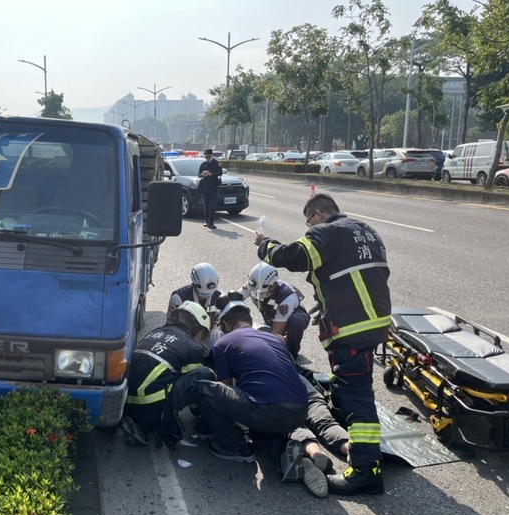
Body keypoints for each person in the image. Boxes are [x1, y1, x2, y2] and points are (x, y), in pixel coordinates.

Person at [254, 192, 391, 495]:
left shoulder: (326, 232)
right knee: (350, 389)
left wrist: (265, 245)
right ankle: (356, 443)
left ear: (317, 214)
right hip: (375, 322)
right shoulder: (366, 230)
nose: (308, 227)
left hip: (352, 328)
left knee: (358, 399)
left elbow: (292, 256)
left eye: (307, 222)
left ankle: (366, 471)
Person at [165, 298, 309, 467]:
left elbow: (224, 389)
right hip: (301, 411)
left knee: (202, 388)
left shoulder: (223, 343)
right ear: (249, 321)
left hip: (269, 411)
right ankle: (285, 452)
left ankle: (235, 446)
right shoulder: (275, 339)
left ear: (225, 324)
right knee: (261, 418)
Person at [118, 301, 213, 447]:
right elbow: (196, 385)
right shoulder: (193, 347)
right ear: (197, 327)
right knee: (204, 373)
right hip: (150, 404)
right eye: (204, 334)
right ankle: (147, 424)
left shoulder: (155, 332)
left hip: (124, 399)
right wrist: (200, 414)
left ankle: (135, 422)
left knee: (166, 375)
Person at [239, 263, 311, 360]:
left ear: (273, 285)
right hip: (270, 316)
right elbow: (232, 300)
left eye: (262, 293)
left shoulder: (287, 297)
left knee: (294, 322)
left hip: (291, 318)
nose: (257, 295)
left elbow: (276, 333)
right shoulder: (254, 284)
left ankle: (291, 355)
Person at [198, 149, 223, 229]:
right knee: (206, 205)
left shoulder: (217, 163)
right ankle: (207, 221)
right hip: (205, 187)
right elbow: (198, 174)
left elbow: (220, 173)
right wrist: (202, 174)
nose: (207, 158)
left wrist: (211, 174)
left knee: (212, 205)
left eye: (209, 156)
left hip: (213, 187)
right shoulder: (203, 164)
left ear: (211, 155)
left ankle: (211, 222)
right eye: (206, 156)